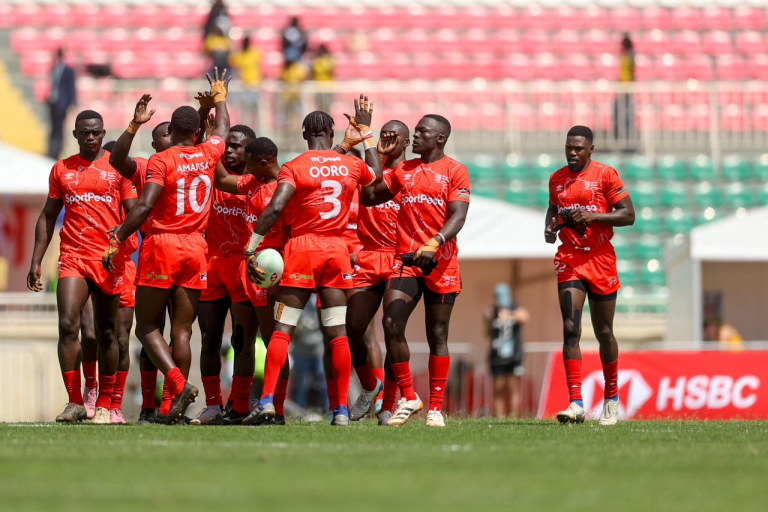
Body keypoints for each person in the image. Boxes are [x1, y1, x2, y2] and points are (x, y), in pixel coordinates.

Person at [242, 96, 382, 426]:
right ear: (332, 134)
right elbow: (376, 174)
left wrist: (251, 248)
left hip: (303, 249)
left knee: (283, 329)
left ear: (305, 134)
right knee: (337, 334)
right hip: (337, 251)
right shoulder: (350, 165)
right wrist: (366, 134)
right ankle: (341, 410)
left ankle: (266, 400)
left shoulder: (295, 166)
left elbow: (276, 208)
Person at [102, 69, 231, 425]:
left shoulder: (161, 160)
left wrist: (118, 237)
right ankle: (173, 406)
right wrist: (220, 99)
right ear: (198, 131)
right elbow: (222, 130)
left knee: (146, 327)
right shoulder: (208, 153)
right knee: (183, 332)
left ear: (171, 131)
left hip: (163, 245)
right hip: (197, 247)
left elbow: (144, 206)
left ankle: (177, 384)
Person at [360, 115, 471, 428]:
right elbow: (369, 197)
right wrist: (379, 157)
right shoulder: (404, 170)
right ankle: (409, 396)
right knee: (391, 322)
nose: (416, 135)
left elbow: (458, 216)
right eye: (417, 131)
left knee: (437, 335)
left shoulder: (455, 170)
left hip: (441, 262)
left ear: (440, 138)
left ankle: (435, 408)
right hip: (406, 262)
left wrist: (434, 243)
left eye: (423, 131)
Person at [28, 110, 137, 423]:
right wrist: (36, 260)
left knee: (107, 333)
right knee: (67, 325)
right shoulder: (62, 169)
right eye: (85, 132)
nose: (90, 137)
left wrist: (119, 240)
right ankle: (75, 401)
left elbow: (134, 212)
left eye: (96, 132)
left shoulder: (118, 167)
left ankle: (105, 402)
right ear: (75, 135)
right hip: (73, 257)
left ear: (103, 134)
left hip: (108, 259)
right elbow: (48, 215)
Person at [544, 125, 635, 426]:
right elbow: (552, 209)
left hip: (600, 258)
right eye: (568, 147)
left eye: (578, 148)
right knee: (570, 327)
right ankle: (576, 403)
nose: (572, 153)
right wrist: (550, 227)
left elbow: (628, 215)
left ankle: (611, 398)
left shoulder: (606, 175)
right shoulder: (556, 179)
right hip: (570, 258)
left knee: (604, 332)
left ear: (590, 150)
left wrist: (593, 216)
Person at [108, 94, 174, 424]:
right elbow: (118, 159)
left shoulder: (197, 162)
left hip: (179, 251)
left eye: (164, 134)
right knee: (153, 331)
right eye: (158, 136)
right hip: (157, 251)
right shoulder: (150, 167)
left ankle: (170, 404)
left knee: (179, 333)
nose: (159, 139)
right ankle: (150, 405)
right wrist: (134, 125)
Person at [190, 123, 257, 426]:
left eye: (236, 146)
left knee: (242, 340)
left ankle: (240, 404)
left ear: (249, 151)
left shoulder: (257, 182)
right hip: (212, 262)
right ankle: (213, 404)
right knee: (209, 338)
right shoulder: (211, 175)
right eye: (226, 145)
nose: (228, 150)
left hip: (243, 265)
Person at [345, 121, 409, 425]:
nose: (388, 139)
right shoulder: (367, 170)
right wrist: (373, 148)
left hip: (400, 257)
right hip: (370, 256)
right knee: (353, 328)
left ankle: (389, 405)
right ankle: (371, 386)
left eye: (394, 136)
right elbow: (366, 186)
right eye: (384, 134)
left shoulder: (412, 173)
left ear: (407, 142)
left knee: (393, 329)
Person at [484, 283, 529, 418]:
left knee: (513, 388)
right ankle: (499, 417)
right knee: (498, 389)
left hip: (514, 355)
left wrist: (509, 314)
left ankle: (514, 417)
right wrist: (487, 319)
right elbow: (487, 334)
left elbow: (525, 317)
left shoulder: (515, 307)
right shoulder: (493, 311)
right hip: (497, 356)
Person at [47, 48, 76, 160]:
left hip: (62, 103)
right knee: (53, 128)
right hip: (53, 102)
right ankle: (51, 151)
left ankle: (57, 152)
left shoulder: (67, 70)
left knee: (60, 129)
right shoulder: (54, 68)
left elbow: (71, 87)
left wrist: (72, 102)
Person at [229, 36, 262, 130]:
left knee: (255, 108)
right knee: (245, 109)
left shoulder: (255, 53)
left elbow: (260, 67)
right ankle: (245, 128)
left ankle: (257, 129)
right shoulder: (240, 55)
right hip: (243, 86)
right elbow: (232, 62)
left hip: (254, 85)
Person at [615, 33, 636, 149]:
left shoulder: (629, 56)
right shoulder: (627, 56)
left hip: (627, 88)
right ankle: (625, 140)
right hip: (624, 87)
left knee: (626, 115)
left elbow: (629, 74)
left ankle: (628, 141)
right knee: (622, 115)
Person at [312, 44, 335, 113]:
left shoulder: (329, 60)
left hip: (328, 86)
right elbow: (317, 69)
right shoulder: (317, 60)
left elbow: (330, 68)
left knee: (327, 105)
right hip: (318, 86)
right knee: (319, 105)